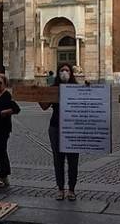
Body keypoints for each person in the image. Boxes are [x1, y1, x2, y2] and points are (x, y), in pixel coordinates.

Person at [39, 62, 79, 201]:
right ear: (58, 72)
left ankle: (72, 189)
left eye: (67, 70)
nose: (64, 73)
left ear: (71, 73)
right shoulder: (53, 89)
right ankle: (60, 189)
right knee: (58, 159)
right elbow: (44, 106)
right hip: (55, 126)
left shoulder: (77, 88)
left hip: (73, 128)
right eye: (62, 70)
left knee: (73, 160)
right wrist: (39, 95)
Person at [0, 73, 20, 188]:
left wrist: (6, 112)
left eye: (0, 83)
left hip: (3, 128)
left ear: (5, 84)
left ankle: (1, 175)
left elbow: (16, 109)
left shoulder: (6, 95)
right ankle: (4, 177)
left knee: (1, 151)